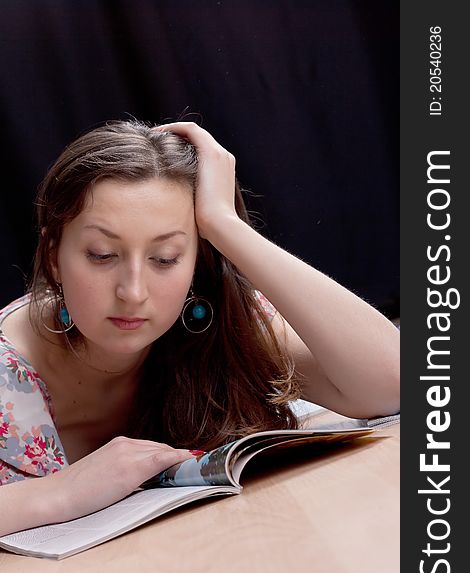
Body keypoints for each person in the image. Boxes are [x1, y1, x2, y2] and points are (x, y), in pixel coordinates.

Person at [0, 120, 399, 536]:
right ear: (52, 259)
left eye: (166, 257)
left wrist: (224, 223)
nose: (133, 292)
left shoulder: (215, 322)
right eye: (102, 255)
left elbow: (395, 382)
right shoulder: (7, 373)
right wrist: (62, 492)